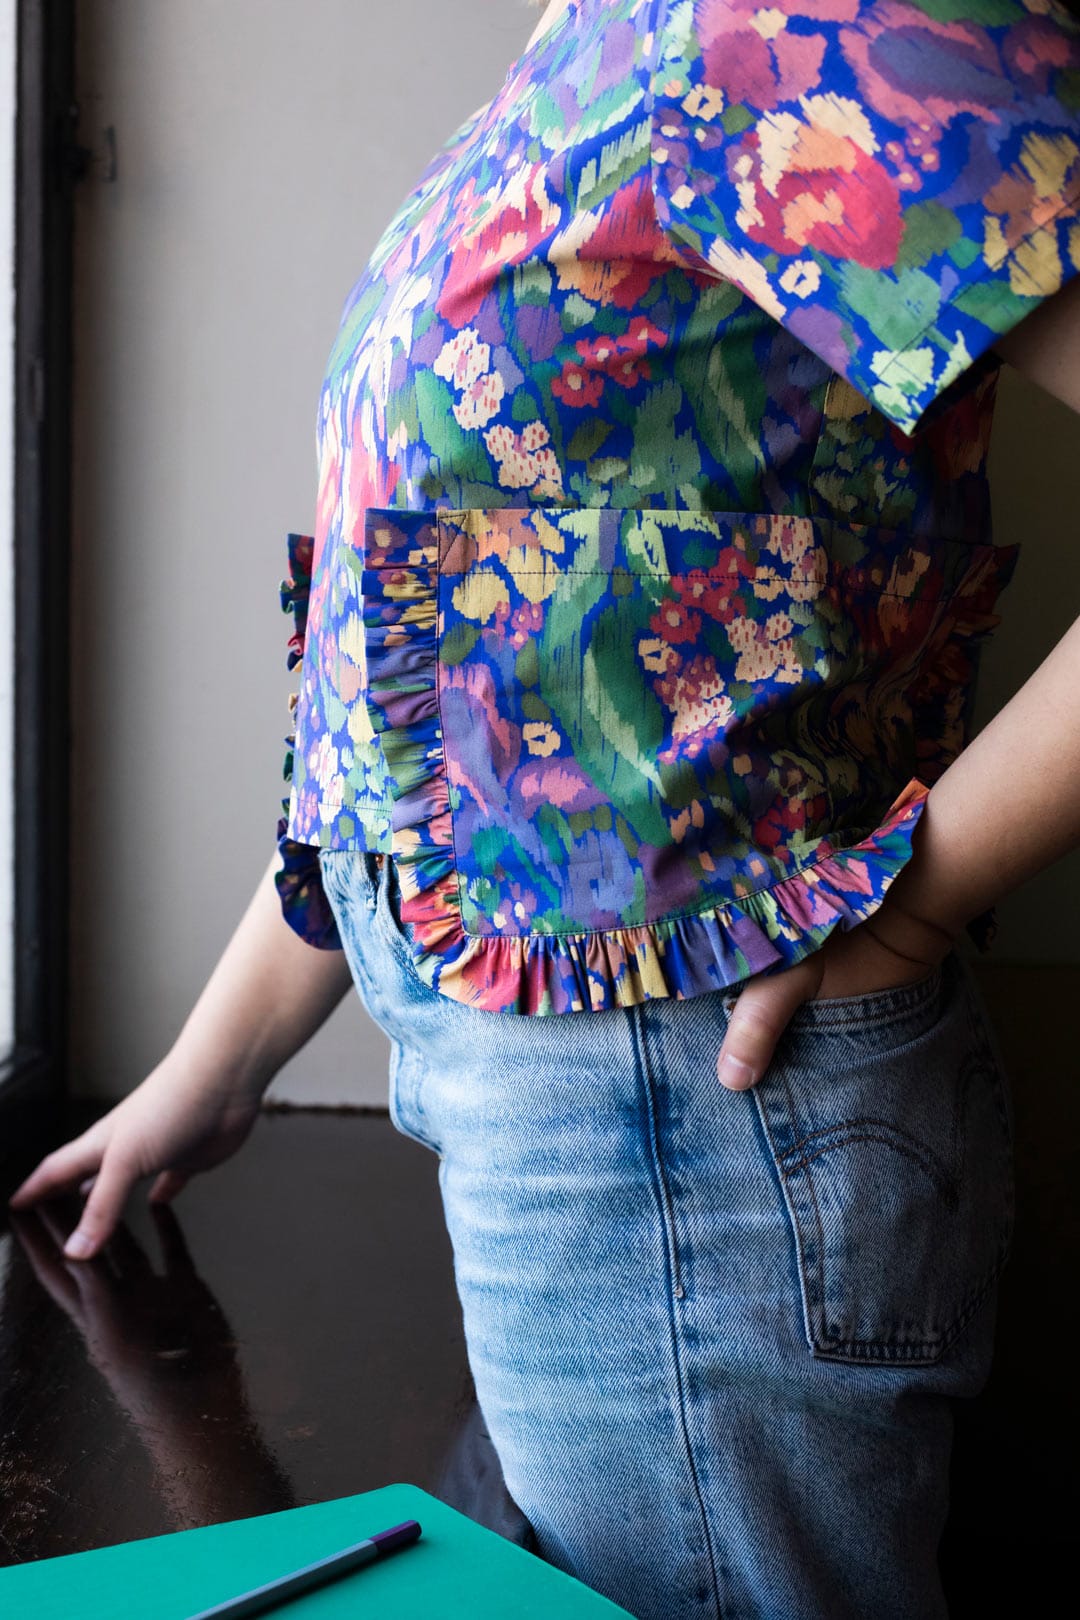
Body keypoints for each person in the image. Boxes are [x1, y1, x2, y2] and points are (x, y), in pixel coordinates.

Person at [10, 0, 1080, 1614]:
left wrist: (912, 902)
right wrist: (218, 1061)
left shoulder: (815, 21)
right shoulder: (597, 43)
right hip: (585, 1115)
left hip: (695, 1107)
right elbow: (464, 671)